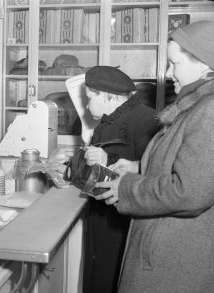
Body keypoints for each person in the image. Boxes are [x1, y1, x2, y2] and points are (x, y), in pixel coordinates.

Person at [95, 21, 214, 292]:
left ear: (205, 65)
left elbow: (189, 193)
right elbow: (191, 166)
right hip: (167, 248)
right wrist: (139, 167)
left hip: (176, 258)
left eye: (175, 63)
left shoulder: (209, 111)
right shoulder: (195, 105)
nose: (168, 73)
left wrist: (126, 187)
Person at [81, 66, 160, 293]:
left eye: (89, 99)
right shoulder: (107, 121)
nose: (87, 106)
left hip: (123, 222)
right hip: (102, 215)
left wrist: (109, 158)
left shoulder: (148, 121)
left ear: (108, 96)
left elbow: (155, 171)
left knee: (111, 277)